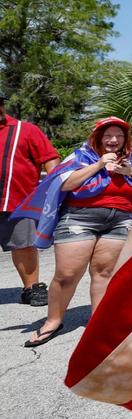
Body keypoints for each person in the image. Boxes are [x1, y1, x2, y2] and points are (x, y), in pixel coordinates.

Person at [14, 117, 132, 347]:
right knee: (67, 274)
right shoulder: (81, 156)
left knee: (104, 273)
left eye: (119, 136)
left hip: (119, 220)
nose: (113, 140)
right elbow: (64, 184)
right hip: (79, 218)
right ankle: (53, 321)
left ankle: (99, 323)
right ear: (98, 137)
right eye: (108, 135)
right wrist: (99, 164)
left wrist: (131, 172)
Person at [0, 91, 61, 307]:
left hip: (18, 201)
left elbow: (50, 158)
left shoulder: (25, 130)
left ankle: (31, 288)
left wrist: (52, 188)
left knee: (23, 245)